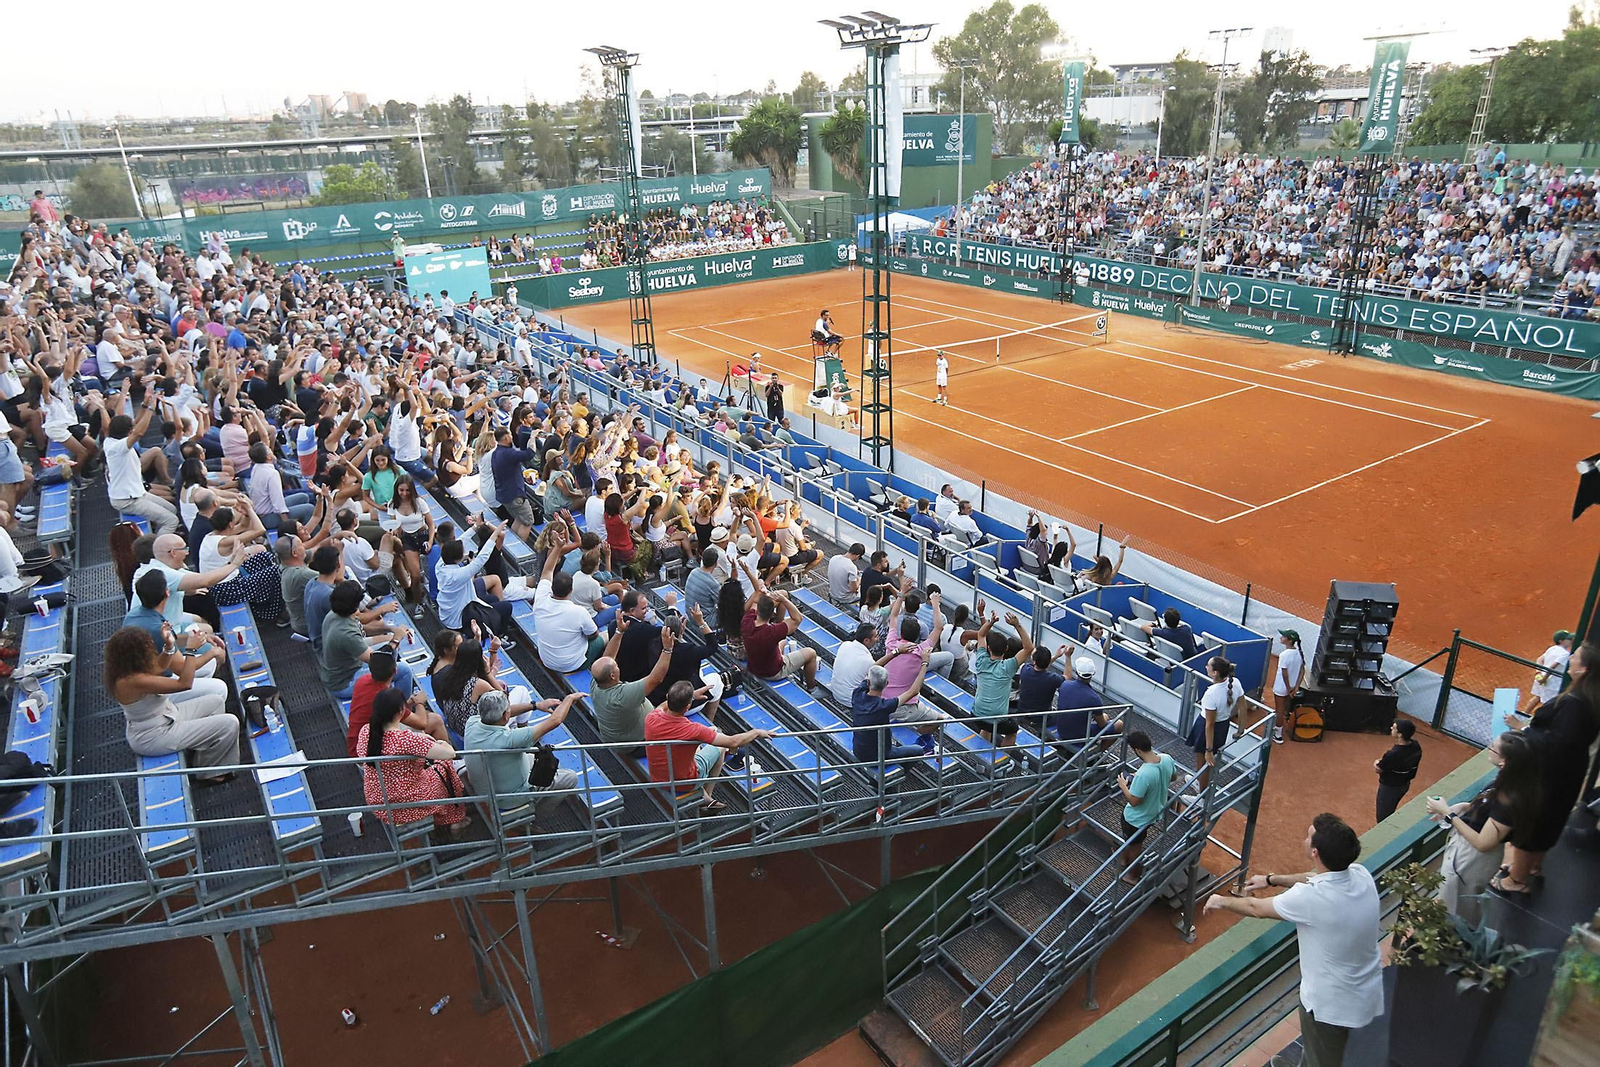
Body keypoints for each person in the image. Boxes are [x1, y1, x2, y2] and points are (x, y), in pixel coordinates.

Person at [1203, 814, 1383, 1067]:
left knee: (1324, 1060)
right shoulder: (1359, 874)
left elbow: (1256, 908)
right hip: (1362, 991)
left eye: (1308, 836)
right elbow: (1313, 877)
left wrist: (1220, 901)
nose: (1304, 839)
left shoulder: (1311, 899)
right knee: (1317, 1051)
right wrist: (1271, 880)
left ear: (1315, 852)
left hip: (1328, 1007)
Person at [1498, 639, 1600, 894]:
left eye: (1575, 656)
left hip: (1548, 774)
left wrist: (1523, 730)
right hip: (1569, 772)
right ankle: (1532, 868)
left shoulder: (1575, 702)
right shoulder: (1591, 698)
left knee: (1530, 822)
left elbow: (1557, 742)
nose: (1571, 658)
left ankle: (1516, 881)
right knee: (1550, 820)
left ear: (1584, 669)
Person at [1425, 731, 1538, 925]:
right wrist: (1465, 808)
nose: (1489, 748)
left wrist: (1447, 814)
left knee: (1456, 913)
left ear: (1504, 762)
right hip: (1468, 853)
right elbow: (1488, 809)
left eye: (1493, 748)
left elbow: (1483, 843)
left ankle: (1452, 949)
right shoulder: (1509, 780)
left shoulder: (1509, 797)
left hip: (1472, 858)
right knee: (1452, 902)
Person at [105, 625, 236, 784]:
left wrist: (169, 645)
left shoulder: (128, 670)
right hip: (155, 735)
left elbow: (159, 667)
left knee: (215, 701)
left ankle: (205, 756)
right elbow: (185, 683)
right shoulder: (132, 681)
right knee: (229, 723)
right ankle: (208, 773)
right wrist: (190, 650)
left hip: (167, 715)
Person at [644, 680, 773, 811]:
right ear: (688, 707)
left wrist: (692, 696)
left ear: (668, 697)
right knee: (721, 747)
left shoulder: (652, 716)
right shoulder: (693, 730)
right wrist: (756, 732)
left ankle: (706, 797)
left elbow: (663, 706)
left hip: (658, 777)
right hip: (685, 782)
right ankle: (707, 798)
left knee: (695, 746)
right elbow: (733, 741)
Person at [356, 688, 469, 834]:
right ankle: (455, 819)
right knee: (444, 767)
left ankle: (446, 816)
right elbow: (449, 753)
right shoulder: (406, 740)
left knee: (434, 770)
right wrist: (442, 743)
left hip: (378, 801)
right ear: (402, 711)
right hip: (406, 805)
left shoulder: (366, 731)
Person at [462, 689, 582, 816]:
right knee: (571, 777)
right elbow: (555, 721)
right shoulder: (509, 739)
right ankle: (536, 814)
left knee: (531, 756)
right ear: (506, 716)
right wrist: (569, 699)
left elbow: (503, 713)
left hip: (486, 786)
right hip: (508, 798)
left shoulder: (472, 722)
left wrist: (535, 706)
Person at [590, 618, 675, 745]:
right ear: (613, 676)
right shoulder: (622, 696)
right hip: (635, 744)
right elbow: (656, 679)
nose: (617, 665)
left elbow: (608, 657)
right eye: (616, 666)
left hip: (616, 735)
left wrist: (619, 632)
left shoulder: (596, 682)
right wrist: (667, 649)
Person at [346, 650, 445, 757]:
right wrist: (419, 703)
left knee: (427, 716)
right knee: (435, 720)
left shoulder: (362, 680)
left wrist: (407, 705)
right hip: (369, 756)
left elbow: (390, 713)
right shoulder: (386, 698)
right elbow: (421, 723)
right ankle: (449, 763)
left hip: (358, 745)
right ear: (395, 671)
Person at [105, 404, 180, 534]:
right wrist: (150, 408)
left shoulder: (110, 439)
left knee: (172, 510)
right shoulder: (117, 447)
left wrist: (146, 403)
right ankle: (158, 550)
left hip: (137, 492)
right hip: (127, 500)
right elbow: (139, 432)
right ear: (128, 432)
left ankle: (162, 533)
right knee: (171, 520)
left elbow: (125, 423)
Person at [1116, 730, 1178, 881]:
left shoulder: (1144, 774)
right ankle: (1123, 859)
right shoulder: (1167, 758)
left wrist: (1123, 786)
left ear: (1137, 750)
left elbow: (1134, 801)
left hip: (1136, 819)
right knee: (1131, 842)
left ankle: (1132, 876)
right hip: (1155, 812)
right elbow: (1173, 777)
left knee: (1135, 846)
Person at [852, 653, 935, 765]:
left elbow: (872, 669)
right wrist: (925, 663)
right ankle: (897, 774)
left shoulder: (857, 694)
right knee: (918, 750)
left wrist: (896, 652)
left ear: (868, 682)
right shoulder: (884, 706)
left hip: (859, 750)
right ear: (887, 684)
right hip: (881, 755)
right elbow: (913, 691)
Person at [970, 612, 1033, 746]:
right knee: (1012, 731)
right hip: (997, 719)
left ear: (988, 648)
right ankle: (1000, 761)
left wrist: (990, 622)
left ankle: (982, 761)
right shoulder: (1008, 667)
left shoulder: (981, 660)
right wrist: (1017, 625)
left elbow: (980, 634)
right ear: (1006, 649)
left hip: (976, 714)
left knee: (986, 727)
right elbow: (1029, 648)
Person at [741, 590, 818, 689]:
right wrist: (784, 600)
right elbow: (798, 618)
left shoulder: (746, 621)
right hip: (773, 672)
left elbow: (754, 602)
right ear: (772, 614)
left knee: (783, 641)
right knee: (811, 653)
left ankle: (780, 657)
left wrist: (763, 595)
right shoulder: (773, 632)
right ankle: (812, 688)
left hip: (754, 666)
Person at [1189, 655, 1238, 791]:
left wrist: (1208, 750)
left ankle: (1202, 795)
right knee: (1205, 763)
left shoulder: (1211, 693)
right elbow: (1242, 703)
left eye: (1208, 666)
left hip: (1207, 729)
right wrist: (1240, 730)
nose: (1206, 667)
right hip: (1223, 726)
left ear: (1215, 673)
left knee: (1203, 763)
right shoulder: (1236, 683)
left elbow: (1209, 724)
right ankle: (1200, 782)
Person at [1054, 656, 1120, 748]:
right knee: (1119, 724)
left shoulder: (1065, 685)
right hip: (1078, 736)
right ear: (1093, 674)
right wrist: (1104, 717)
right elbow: (1102, 724)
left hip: (1061, 730)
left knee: (1103, 716)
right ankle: (1098, 751)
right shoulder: (1094, 698)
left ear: (1077, 672)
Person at [1373, 719, 1423, 821]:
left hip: (1389, 788)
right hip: (1404, 785)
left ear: (1400, 735)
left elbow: (1379, 769)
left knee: (1383, 817)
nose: (1391, 728)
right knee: (1391, 808)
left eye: (1394, 728)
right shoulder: (1416, 746)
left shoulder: (1392, 754)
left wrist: (1376, 762)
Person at [1523, 629, 1574, 716]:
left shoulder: (1552, 649)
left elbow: (1539, 659)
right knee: (1548, 704)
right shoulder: (1565, 654)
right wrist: (1544, 679)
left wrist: (1538, 673)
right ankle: (1539, 721)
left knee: (1537, 697)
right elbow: (1553, 666)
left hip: (1541, 678)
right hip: (1552, 684)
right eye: (1569, 639)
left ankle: (1523, 714)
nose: (1572, 641)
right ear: (1561, 641)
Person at [1271, 629, 1305, 744]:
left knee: (1279, 710)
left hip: (1282, 688)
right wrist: (1295, 688)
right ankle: (1284, 725)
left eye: (1284, 636)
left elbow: (1284, 673)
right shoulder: (1299, 653)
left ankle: (1278, 735)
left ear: (1289, 641)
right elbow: (1302, 671)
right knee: (1285, 708)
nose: (1281, 637)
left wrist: (1288, 687)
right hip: (1291, 688)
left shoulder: (1284, 655)